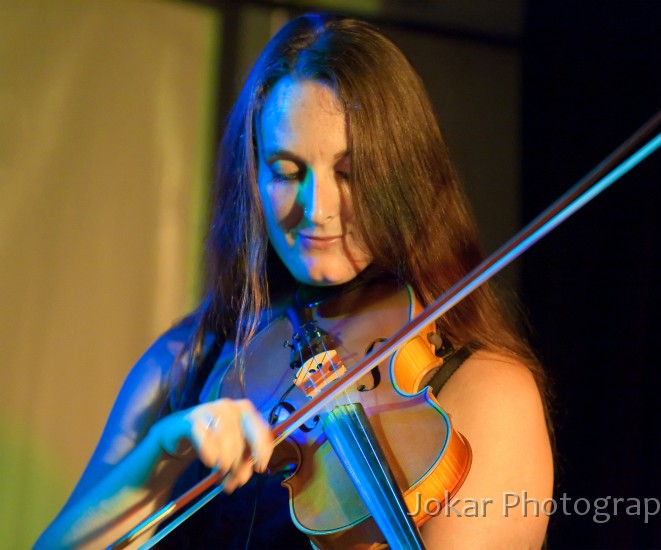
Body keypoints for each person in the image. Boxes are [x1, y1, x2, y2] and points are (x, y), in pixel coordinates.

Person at [37, 13, 553, 549]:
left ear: (404, 177)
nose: (316, 208)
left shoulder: (489, 395)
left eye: (349, 173)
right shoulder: (186, 361)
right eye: (286, 171)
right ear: (253, 178)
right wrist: (162, 454)